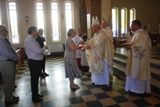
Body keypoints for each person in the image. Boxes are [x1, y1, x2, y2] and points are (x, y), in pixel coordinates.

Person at [125, 20, 151, 95]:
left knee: (138, 72)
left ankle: (138, 90)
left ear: (137, 26)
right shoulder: (137, 34)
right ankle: (133, 89)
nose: (131, 27)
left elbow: (142, 47)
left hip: (139, 59)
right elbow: (136, 45)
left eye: (132, 25)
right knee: (134, 72)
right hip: (135, 58)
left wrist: (131, 47)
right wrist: (130, 45)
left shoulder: (141, 34)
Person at [85, 17, 112, 86]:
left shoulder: (102, 34)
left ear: (97, 27)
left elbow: (99, 45)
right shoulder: (96, 34)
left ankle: (103, 82)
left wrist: (90, 46)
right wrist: (86, 43)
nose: (92, 30)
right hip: (96, 54)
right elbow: (92, 41)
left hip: (101, 56)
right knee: (95, 67)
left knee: (101, 68)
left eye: (93, 28)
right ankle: (96, 81)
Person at [25, 26, 47, 102]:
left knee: (35, 79)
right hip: (34, 62)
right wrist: (44, 48)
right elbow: (38, 51)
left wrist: (42, 54)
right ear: (33, 32)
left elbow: (36, 51)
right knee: (34, 79)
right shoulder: (30, 40)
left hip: (35, 61)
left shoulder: (31, 39)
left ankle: (36, 94)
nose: (37, 33)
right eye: (36, 31)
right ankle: (34, 96)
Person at [0, 25, 20, 106]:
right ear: (1, 31)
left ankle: (10, 95)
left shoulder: (5, 39)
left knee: (11, 81)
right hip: (5, 62)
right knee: (8, 81)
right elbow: (6, 53)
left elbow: (11, 49)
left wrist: (16, 56)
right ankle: (8, 99)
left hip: (10, 62)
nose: (7, 32)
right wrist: (16, 57)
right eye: (6, 31)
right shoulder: (0, 41)